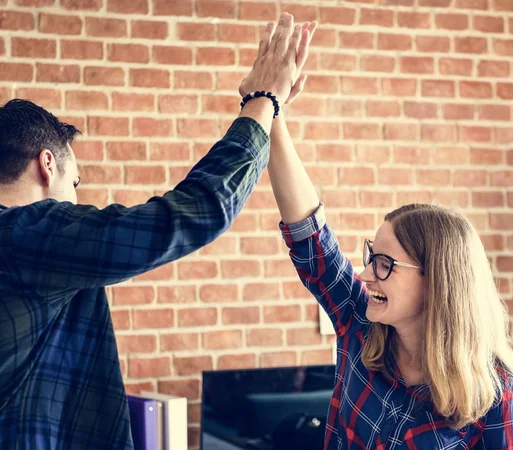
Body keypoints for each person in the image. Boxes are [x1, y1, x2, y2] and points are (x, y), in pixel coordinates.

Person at [0, 13, 308, 449]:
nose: (76, 199)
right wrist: (262, 100)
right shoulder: (25, 236)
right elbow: (196, 211)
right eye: (76, 183)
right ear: (47, 165)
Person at [260, 24, 513, 450]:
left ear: (437, 280)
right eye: (371, 256)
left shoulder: (494, 385)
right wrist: (268, 109)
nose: (366, 274)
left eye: (384, 264)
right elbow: (308, 230)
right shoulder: (360, 324)